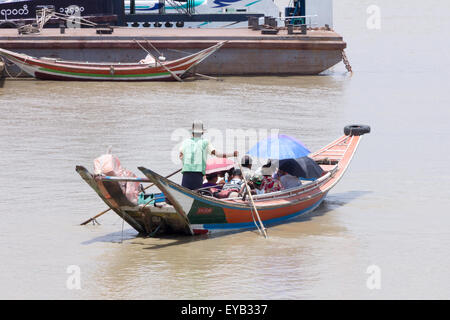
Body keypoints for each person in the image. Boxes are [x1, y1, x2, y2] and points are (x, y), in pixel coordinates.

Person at [179, 121, 238, 190]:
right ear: (202, 132)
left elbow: (181, 156)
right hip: (198, 174)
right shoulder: (205, 142)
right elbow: (217, 154)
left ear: (192, 132)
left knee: (186, 191)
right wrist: (232, 154)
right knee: (196, 192)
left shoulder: (185, 142)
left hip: (186, 173)